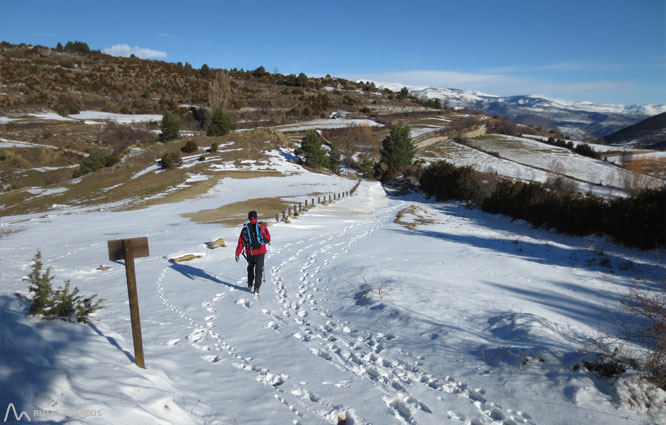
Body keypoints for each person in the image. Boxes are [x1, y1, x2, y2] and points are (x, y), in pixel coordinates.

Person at [235, 211, 271, 294]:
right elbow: (268, 238)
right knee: (259, 270)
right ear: (256, 217)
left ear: (249, 218)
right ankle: (257, 288)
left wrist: (237, 253)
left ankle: (250, 284)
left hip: (249, 252)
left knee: (250, 268)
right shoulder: (261, 226)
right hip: (260, 252)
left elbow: (241, 242)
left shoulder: (245, 228)